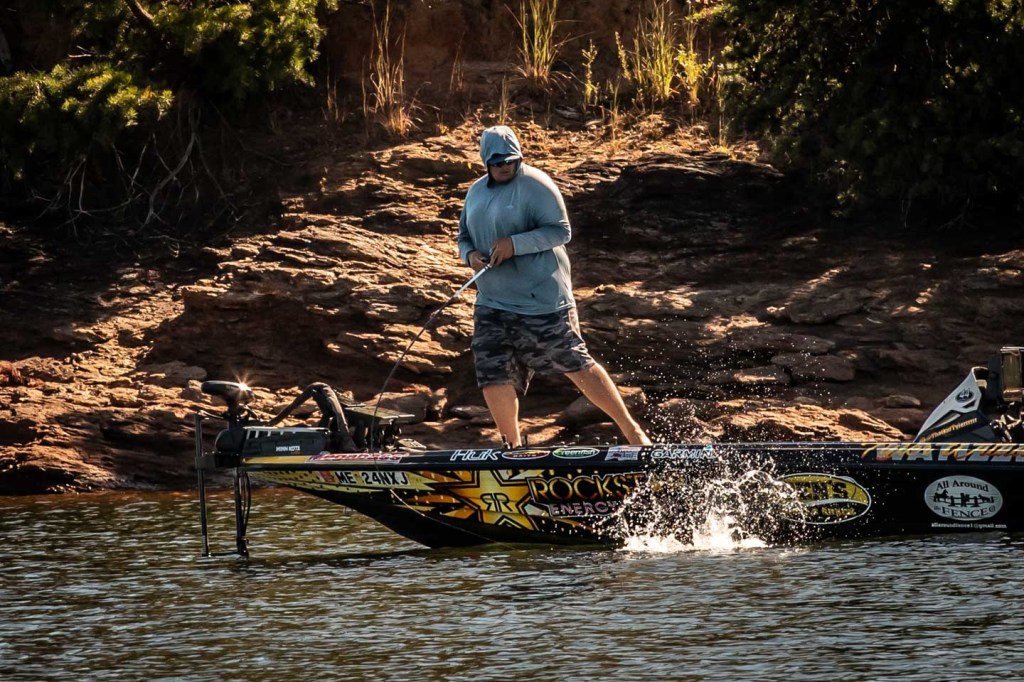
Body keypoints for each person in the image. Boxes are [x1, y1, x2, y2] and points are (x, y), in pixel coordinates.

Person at [457, 125, 651, 448]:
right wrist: (470, 256)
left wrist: (514, 244)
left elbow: (561, 231)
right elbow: (463, 236)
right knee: (492, 370)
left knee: (575, 363)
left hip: (543, 301)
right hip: (492, 302)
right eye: (497, 162)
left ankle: (632, 432)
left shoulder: (536, 185)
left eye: (511, 160)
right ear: (485, 161)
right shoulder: (476, 192)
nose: (505, 166)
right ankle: (511, 448)